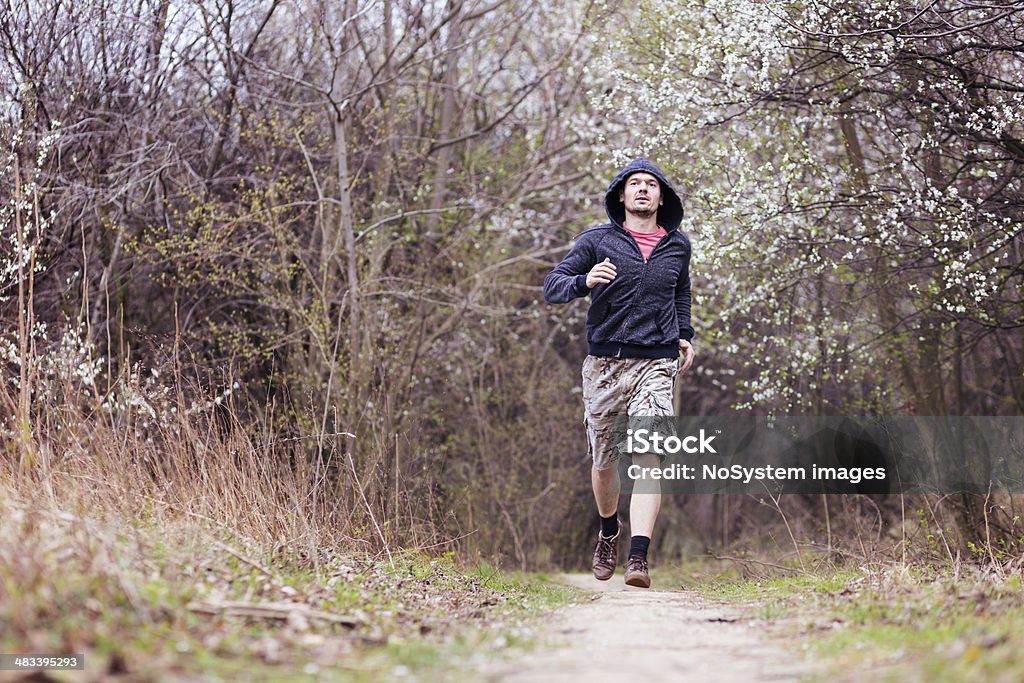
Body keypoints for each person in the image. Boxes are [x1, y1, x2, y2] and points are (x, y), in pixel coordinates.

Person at [543, 158, 695, 588]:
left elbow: (680, 291)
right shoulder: (597, 241)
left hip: (656, 362)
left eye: (651, 184)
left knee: (650, 455)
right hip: (605, 363)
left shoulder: (677, 246)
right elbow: (553, 284)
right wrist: (584, 280)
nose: (643, 190)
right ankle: (609, 531)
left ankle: (639, 557)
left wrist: (683, 334)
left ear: (661, 197)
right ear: (622, 196)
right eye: (635, 184)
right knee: (605, 461)